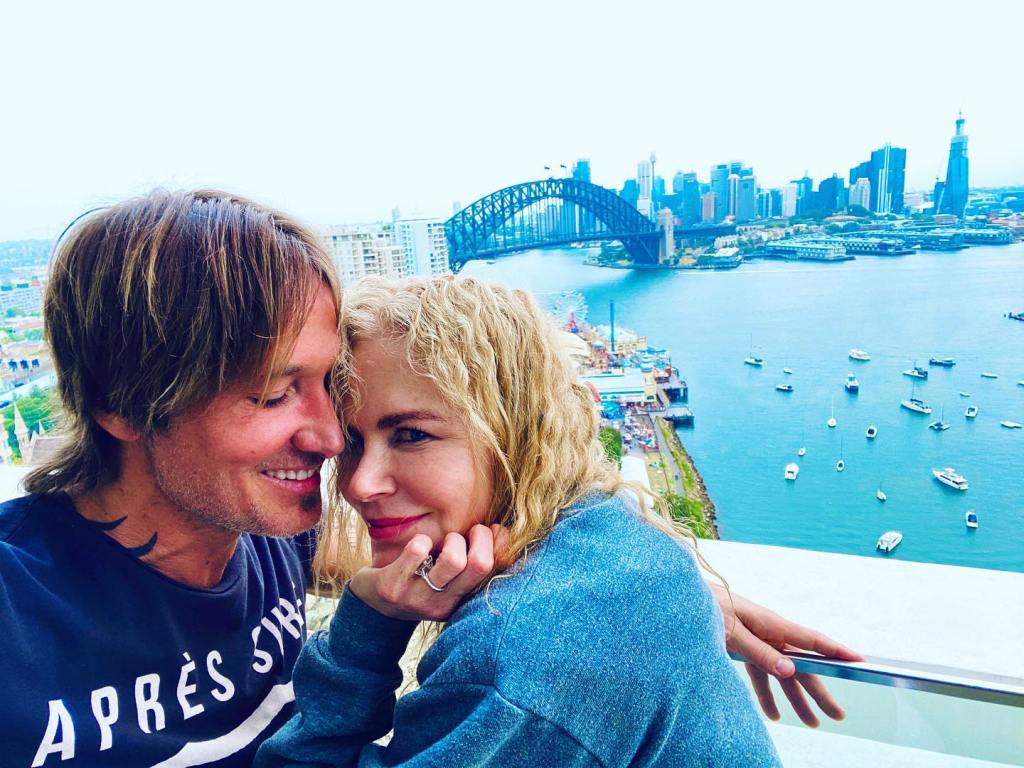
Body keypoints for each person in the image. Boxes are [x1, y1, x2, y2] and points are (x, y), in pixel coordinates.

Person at [2, 189, 854, 767]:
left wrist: (670, 590)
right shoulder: (20, 618)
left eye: (325, 384)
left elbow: (553, 583)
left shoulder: (272, 532)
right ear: (124, 402)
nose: (333, 441)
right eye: (272, 392)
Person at [255, 276, 830, 766]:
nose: (359, 483)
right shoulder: (603, 531)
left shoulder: (514, 665)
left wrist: (366, 628)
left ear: (512, 432)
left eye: (411, 435)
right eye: (351, 442)